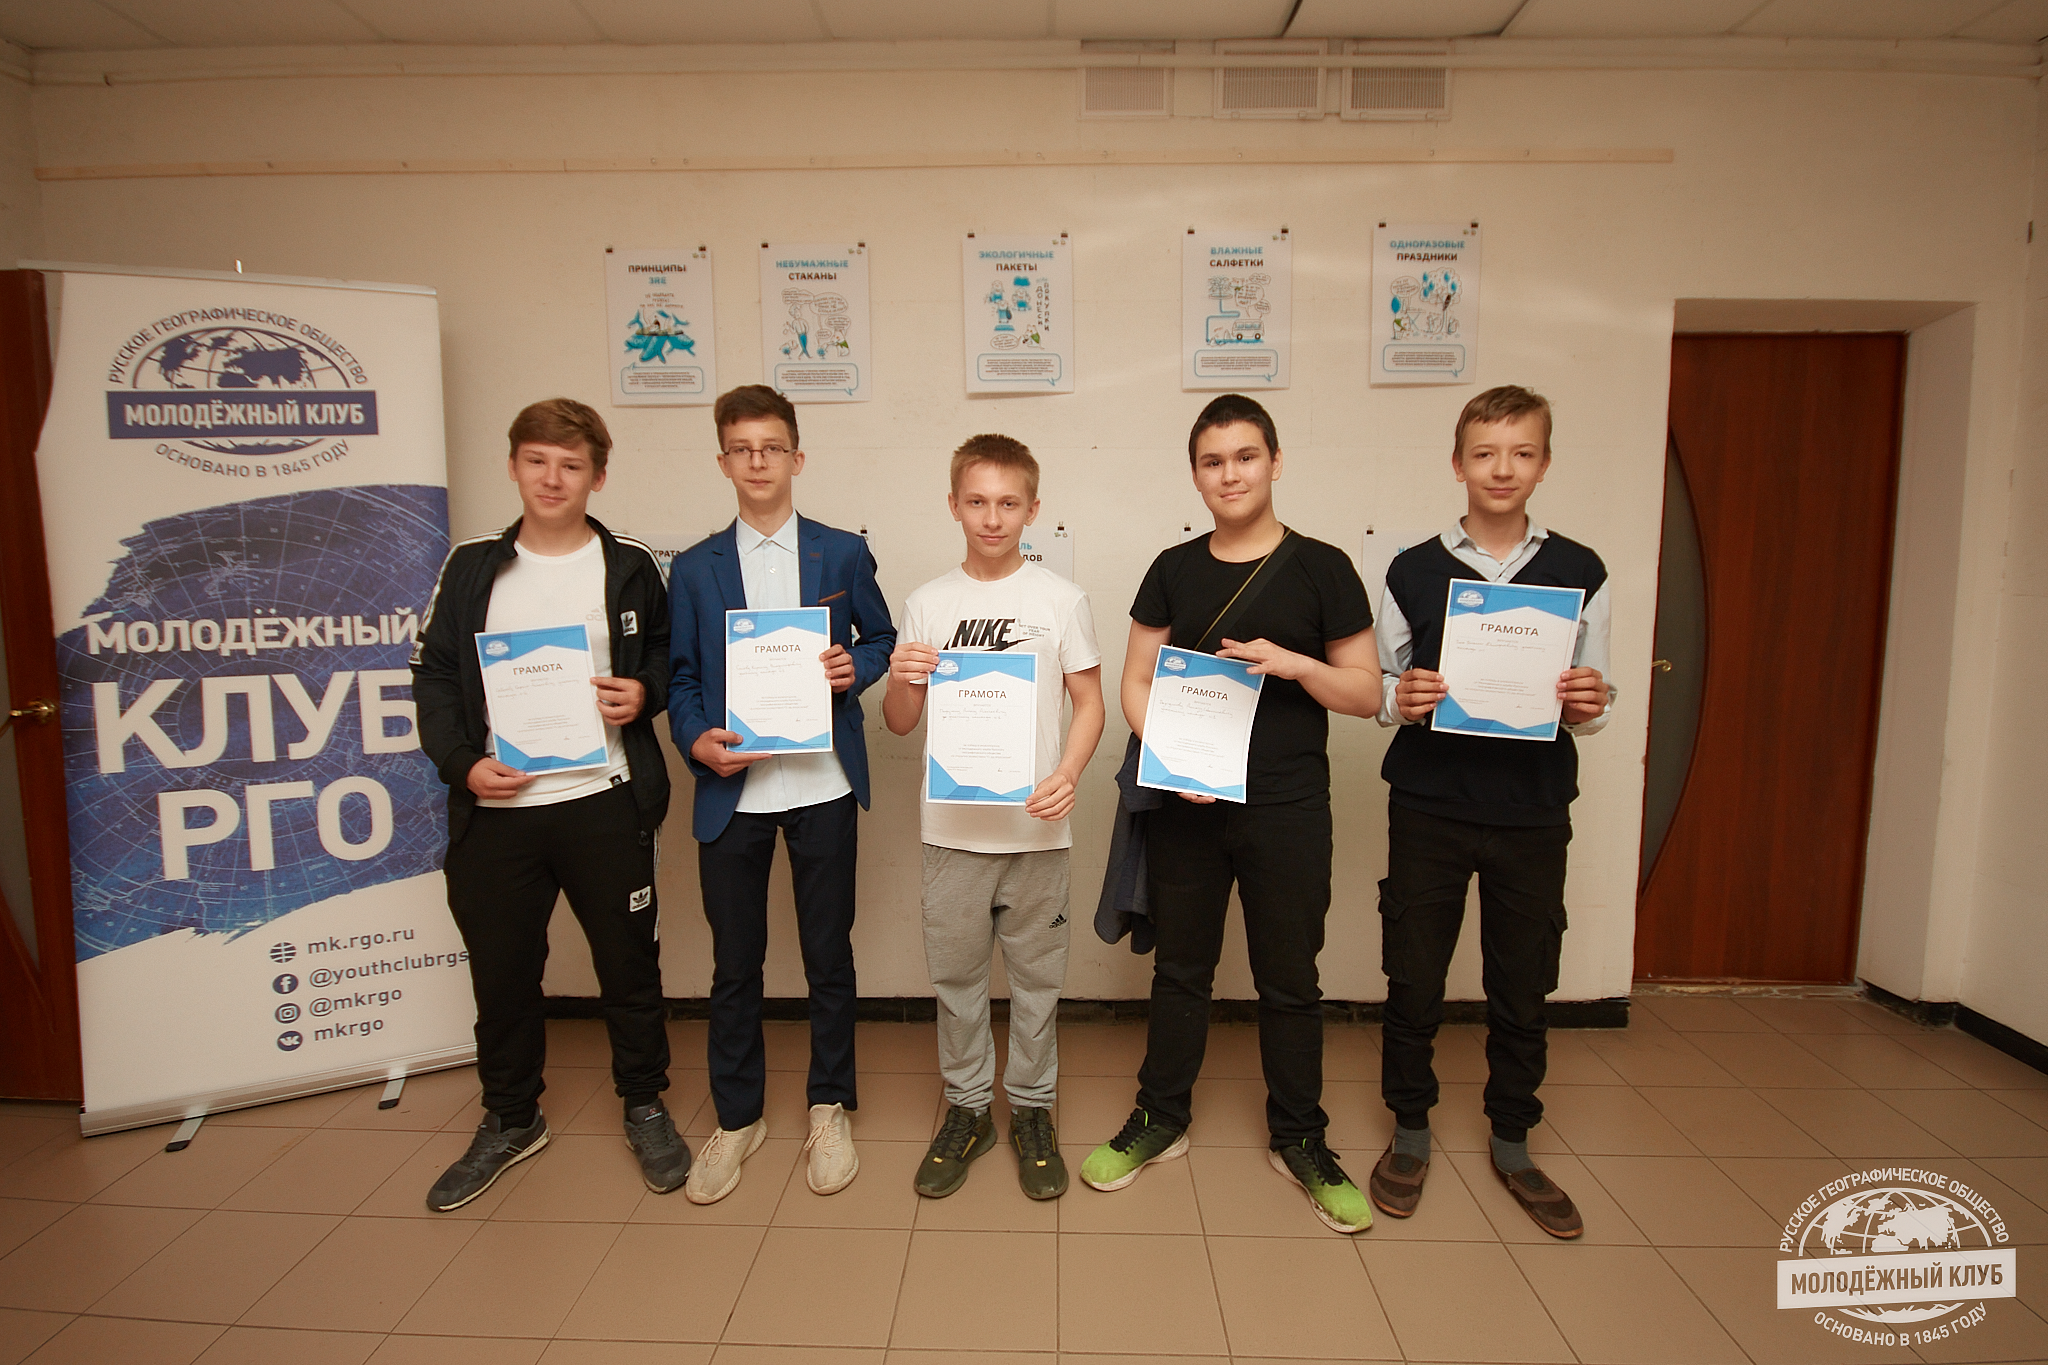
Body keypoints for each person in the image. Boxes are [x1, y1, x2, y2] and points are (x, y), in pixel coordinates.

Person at [1078, 394, 1382, 1235]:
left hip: (1288, 803)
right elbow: (1136, 680)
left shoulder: (1323, 567)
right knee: (1181, 968)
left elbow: (1365, 692)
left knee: (1291, 976)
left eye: (1246, 456)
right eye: (1213, 461)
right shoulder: (1173, 568)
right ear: (1196, 474)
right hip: (1190, 803)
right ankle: (1161, 1117)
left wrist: (1294, 664)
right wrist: (1172, 755)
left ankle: (1300, 1137)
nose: (1231, 474)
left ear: (1275, 462)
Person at [412, 398, 682, 1211]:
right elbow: (433, 675)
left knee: (629, 968)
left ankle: (644, 1103)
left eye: (571, 465)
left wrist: (645, 691)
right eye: (537, 460)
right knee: (502, 975)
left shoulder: (630, 564)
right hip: (497, 813)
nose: (553, 478)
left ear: (598, 475)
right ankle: (510, 1116)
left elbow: (670, 655)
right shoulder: (470, 566)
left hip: (605, 801)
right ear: (513, 465)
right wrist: (462, 765)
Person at [1369, 384, 1613, 1240]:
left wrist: (1591, 701)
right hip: (1430, 804)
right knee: (1414, 973)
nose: (1502, 468)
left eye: (1521, 452)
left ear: (1544, 463)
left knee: (1523, 979)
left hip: (1533, 809)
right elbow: (1380, 686)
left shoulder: (1581, 569)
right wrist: (1401, 697)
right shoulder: (1410, 568)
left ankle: (1513, 1139)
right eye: (1485, 452)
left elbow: (1595, 697)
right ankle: (1409, 1130)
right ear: (1458, 463)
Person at [667, 384, 896, 1203]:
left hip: (822, 784)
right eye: (742, 448)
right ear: (723, 460)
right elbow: (681, 678)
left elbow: (882, 638)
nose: (757, 461)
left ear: (798, 457)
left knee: (829, 956)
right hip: (735, 790)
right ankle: (738, 1117)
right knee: (736, 963)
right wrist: (695, 739)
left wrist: (852, 667)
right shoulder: (693, 567)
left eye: (772, 447)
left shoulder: (842, 552)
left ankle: (829, 1106)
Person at [882, 435, 1105, 1200]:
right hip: (951, 834)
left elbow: (1090, 703)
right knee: (957, 979)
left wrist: (1068, 773)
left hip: (1036, 831)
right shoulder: (927, 603)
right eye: (976, 501)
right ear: (954, 505)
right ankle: (969, 1108)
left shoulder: (1060, 599)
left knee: (1038, 983)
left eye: (1008, 502)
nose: (992, 516)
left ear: (1033, 509)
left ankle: (1034, 1109)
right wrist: (901, 677)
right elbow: (901, 720)